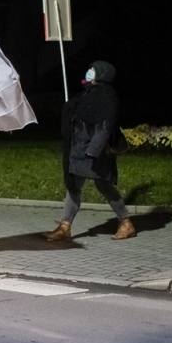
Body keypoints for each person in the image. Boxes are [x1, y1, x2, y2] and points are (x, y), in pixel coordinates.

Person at [43, 61, 135, 242]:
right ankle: (65, 227)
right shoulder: (87, 94)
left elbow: (105, 127)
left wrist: (93, 151)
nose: (89, 72)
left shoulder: (107, 97)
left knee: (104, 186)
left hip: (94, 153)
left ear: (102, 74)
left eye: (93, 70)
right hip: (78, 150)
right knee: (74, 186)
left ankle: (126, 223)